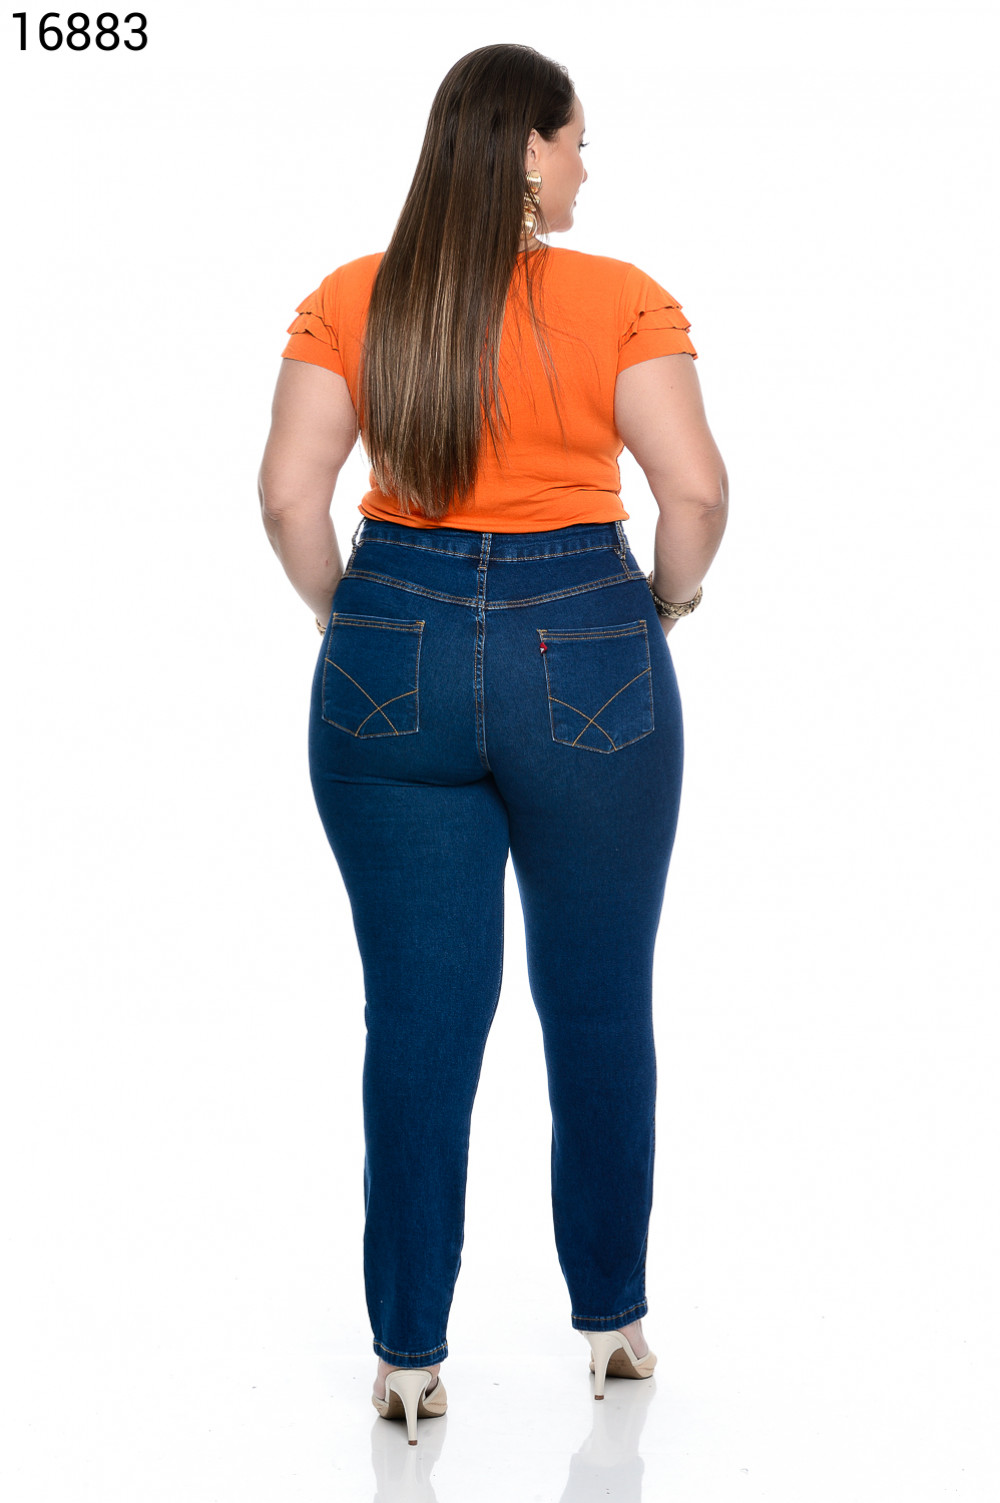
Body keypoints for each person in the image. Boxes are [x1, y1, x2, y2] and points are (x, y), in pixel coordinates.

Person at [258, 42, 728, 1447]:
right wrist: (661, 606)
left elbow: (289, 498)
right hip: (586, 644)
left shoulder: (355, 296)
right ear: (527, 146)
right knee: (599, 1001)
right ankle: (614, 1325)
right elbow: (696, 492)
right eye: (578, 142)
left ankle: (407, 1357)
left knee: (417, 1014)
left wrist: (354, 620)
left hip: (387, 644)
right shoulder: (620, 297)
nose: (586, 167)